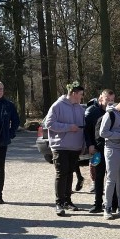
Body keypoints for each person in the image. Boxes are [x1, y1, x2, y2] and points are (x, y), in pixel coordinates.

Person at [45, 83, 87, 217]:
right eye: (80, 94)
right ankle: (59, 203)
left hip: (75, 147)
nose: (81, 97)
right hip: (60, 146)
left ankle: (68, 200)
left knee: (70, 174)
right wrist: (68, 127)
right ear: (73, 93)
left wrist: (83, 145)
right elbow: (49, 123)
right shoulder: (57, 105)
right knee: (61, 173)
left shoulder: (80, 108)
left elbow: (83, 127)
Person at [84, 89, 115, 214]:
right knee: (98, 176)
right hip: (97, 148)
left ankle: (113, 202)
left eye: (112, 100)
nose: (109, 102)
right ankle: (97, 203)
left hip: (111, 148)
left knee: (112, 176)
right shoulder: (92, 111)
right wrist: (90, 144)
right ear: (101, 98)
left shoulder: (113, 112)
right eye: (107, 100)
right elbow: (86, 130)